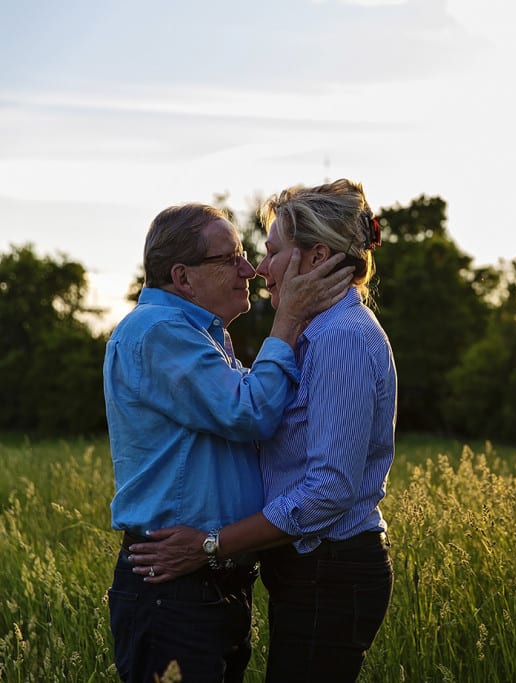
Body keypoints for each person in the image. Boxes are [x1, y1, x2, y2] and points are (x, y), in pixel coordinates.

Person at [127, 178, 398, 682]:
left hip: (330, 567)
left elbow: (330, 489)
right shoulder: (309, 334)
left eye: (271, 252)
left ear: (315, 257)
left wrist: (212, 543)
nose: (259, 269)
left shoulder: (340, 337)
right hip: (310, 568)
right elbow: (251, 415)